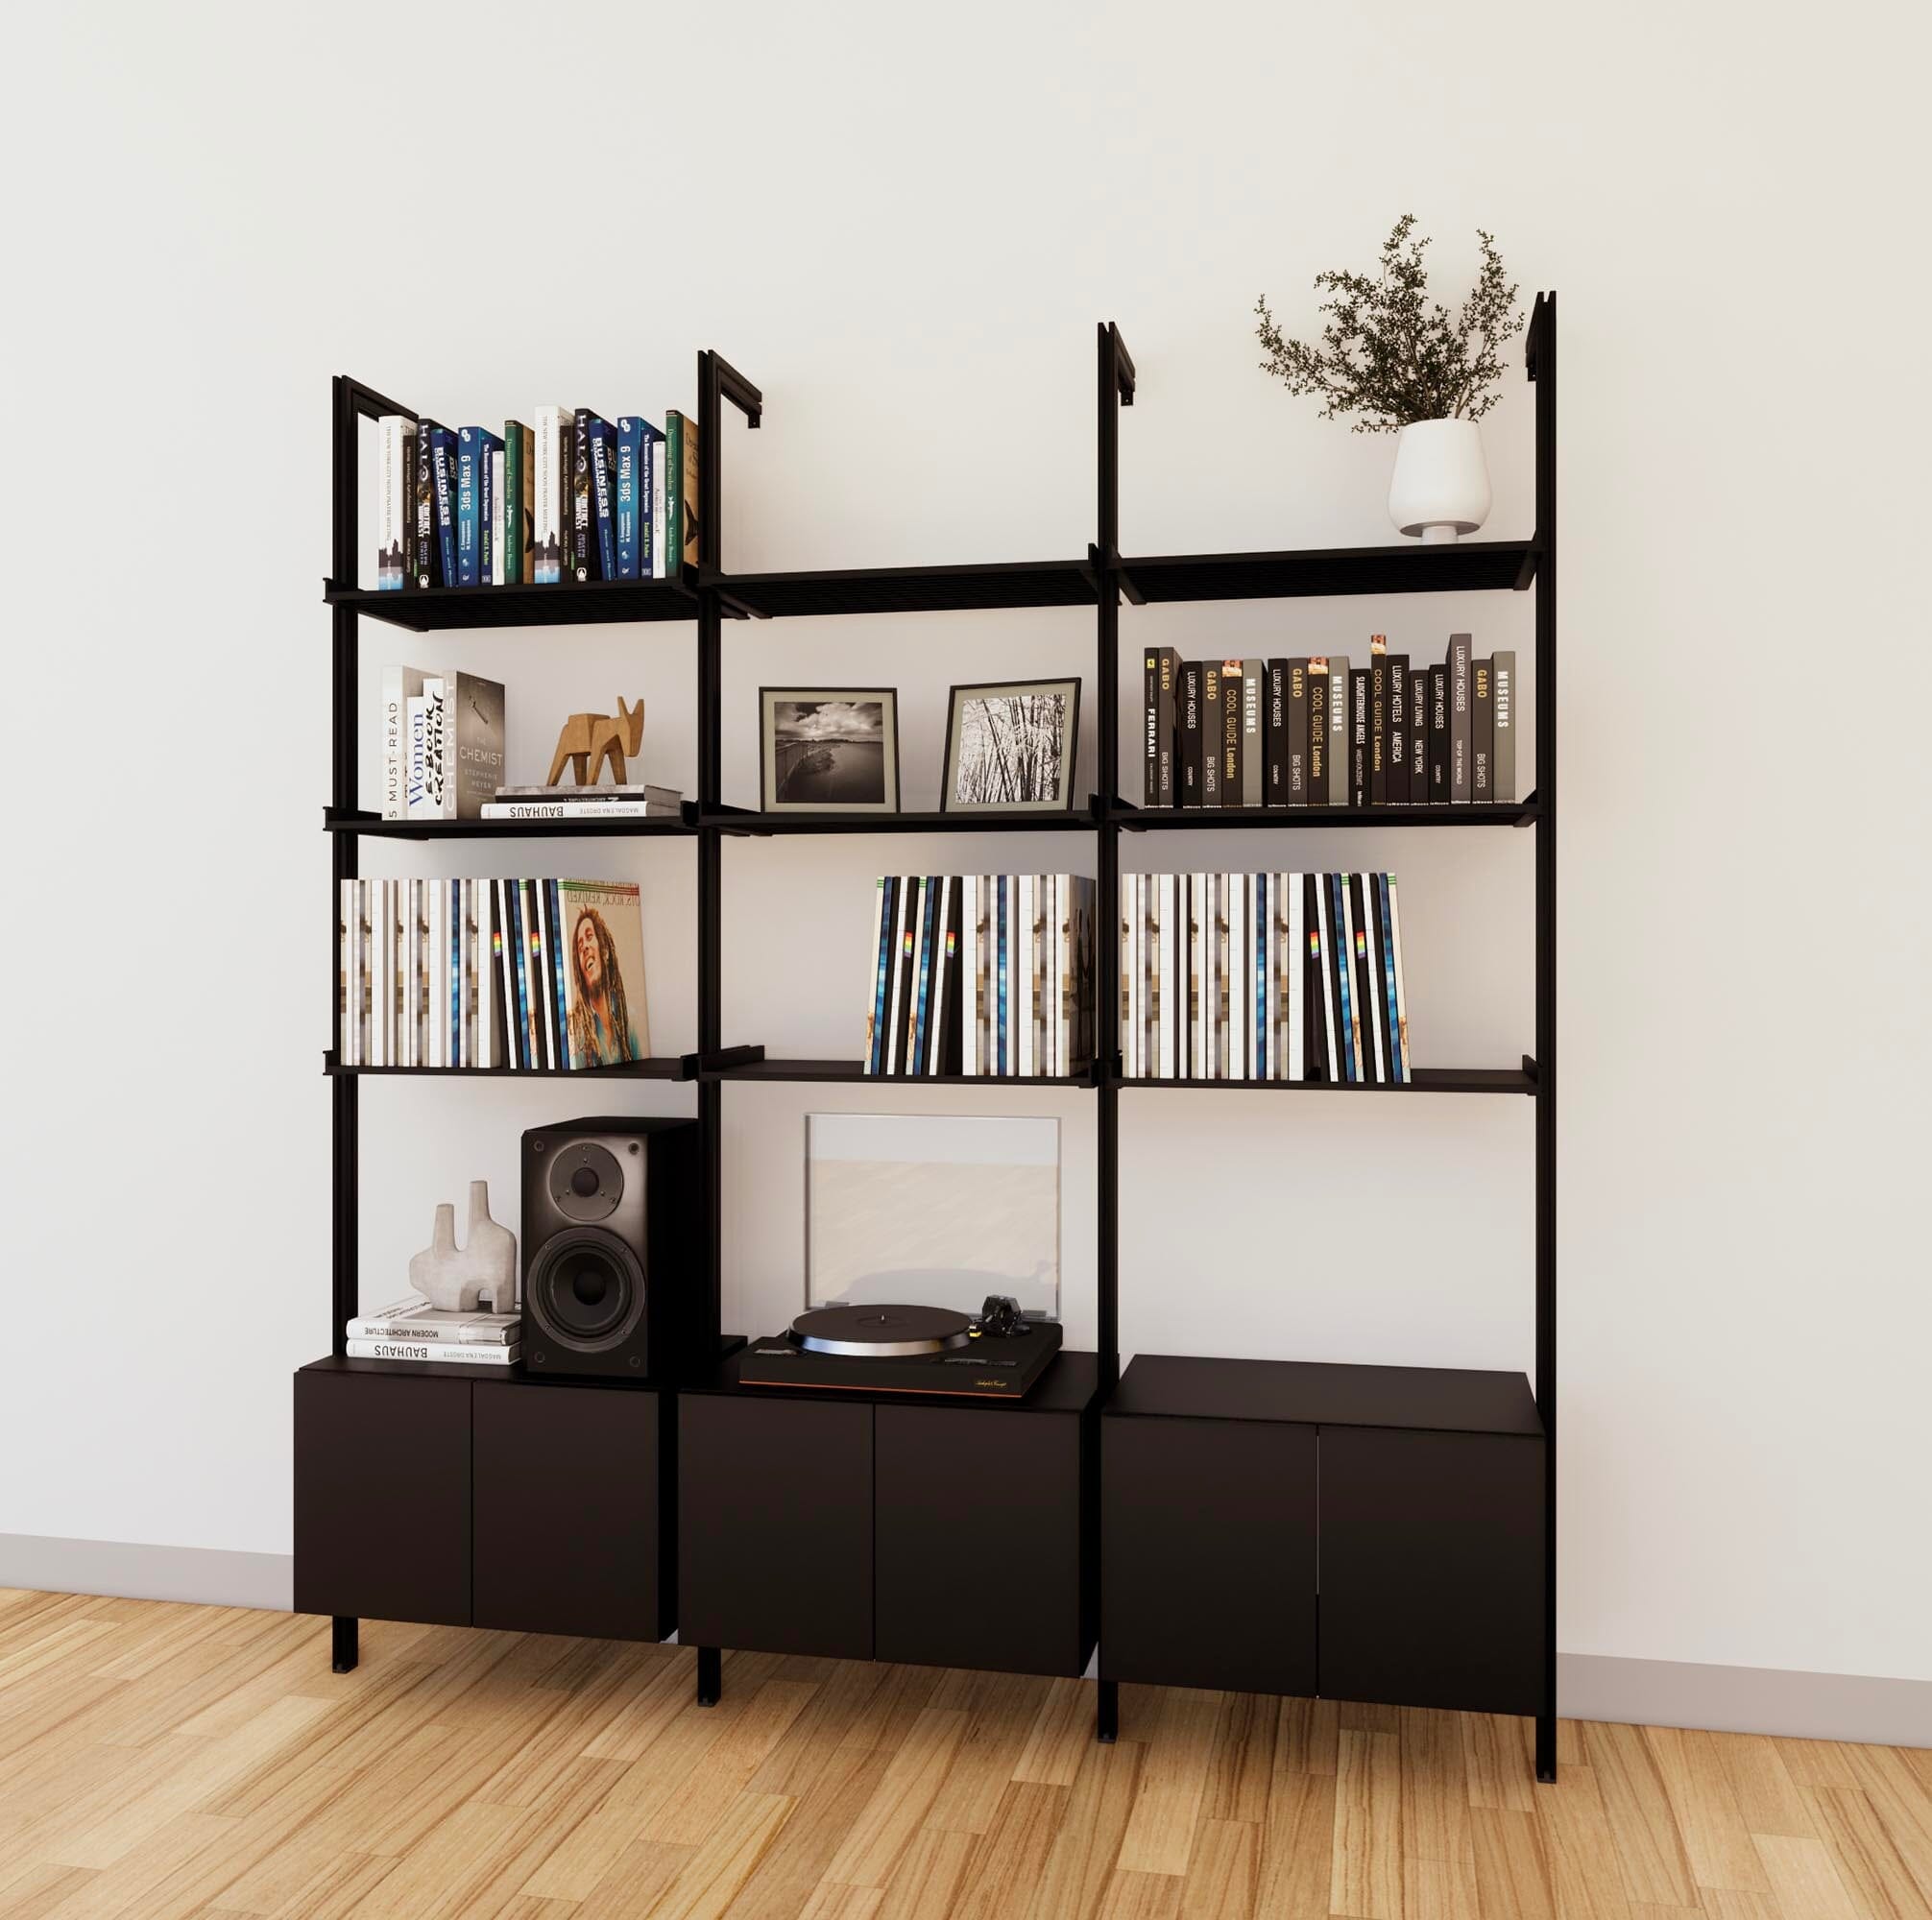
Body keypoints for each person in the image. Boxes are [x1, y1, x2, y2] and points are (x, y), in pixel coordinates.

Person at [567, 904, 640, 1066]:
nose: (584, 947)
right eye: (580, 946)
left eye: (589, 936)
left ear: (605, 951)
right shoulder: (577, 1034)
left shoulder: (629, 1018)